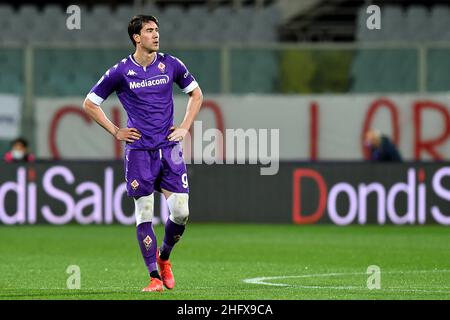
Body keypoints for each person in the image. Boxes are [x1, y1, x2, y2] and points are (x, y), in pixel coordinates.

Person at [83, 15, 203, 292]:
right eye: (149, 31)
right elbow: (90, 103)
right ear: (136, 37)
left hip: (169, 149)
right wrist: (116, 131)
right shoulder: (121, 71)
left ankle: (164, 257)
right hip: (139, 152)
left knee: (181, 212)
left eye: (157, 30)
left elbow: (196, 95)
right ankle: (154, 278)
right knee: (144, 212)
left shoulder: (171, 64)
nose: (156, 35)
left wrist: (184, 127)